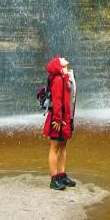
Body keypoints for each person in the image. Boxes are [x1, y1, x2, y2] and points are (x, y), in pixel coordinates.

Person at [42, 55, 77, 190]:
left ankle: (62, 175)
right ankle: (54, 178)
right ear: (58, 65)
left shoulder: (66, 77)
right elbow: (57, 101)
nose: (63, 58)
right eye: (61, 60)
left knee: (63, 146)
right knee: (55, 147)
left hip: (65, 118)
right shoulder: (58, 79)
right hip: (58, 119)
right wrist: (57, 119)